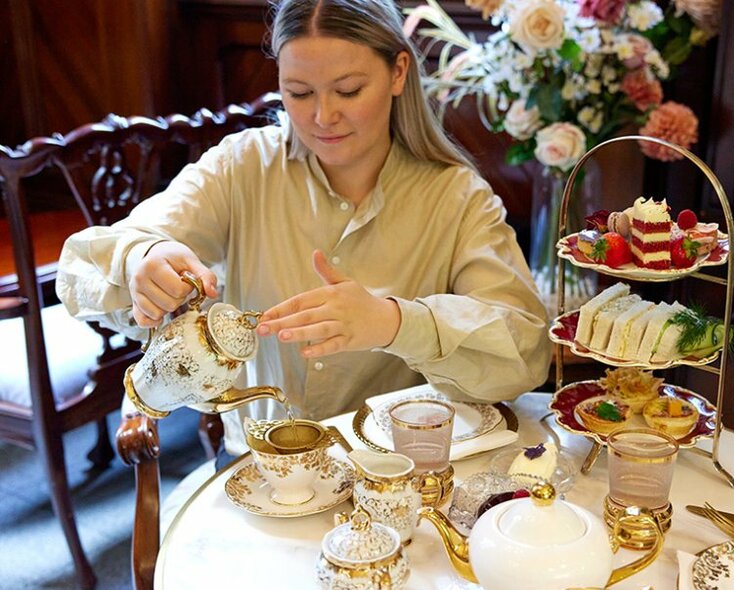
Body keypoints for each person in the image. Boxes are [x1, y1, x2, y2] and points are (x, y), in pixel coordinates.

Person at [56, 0, 551, 458]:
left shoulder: (455, 196)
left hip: (395, 474)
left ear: (399, 71)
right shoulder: (242, 165)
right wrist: (143, 258)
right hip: (258, 470)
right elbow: (83, 265)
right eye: (298, 92)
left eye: (348, 90)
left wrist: (393, 322)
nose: (322, 116)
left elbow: (526, 349)